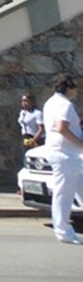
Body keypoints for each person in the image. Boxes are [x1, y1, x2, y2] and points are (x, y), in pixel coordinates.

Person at [41, 74, 83, 244]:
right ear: (68, 88)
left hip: (69, 155)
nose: (77, 91)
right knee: (64, 195)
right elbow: (62, 128)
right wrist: (81, 143)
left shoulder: (51, 102)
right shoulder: (64, 104)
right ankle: (64, 232)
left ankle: (64, 230)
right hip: (66, 155)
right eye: (75, 87)